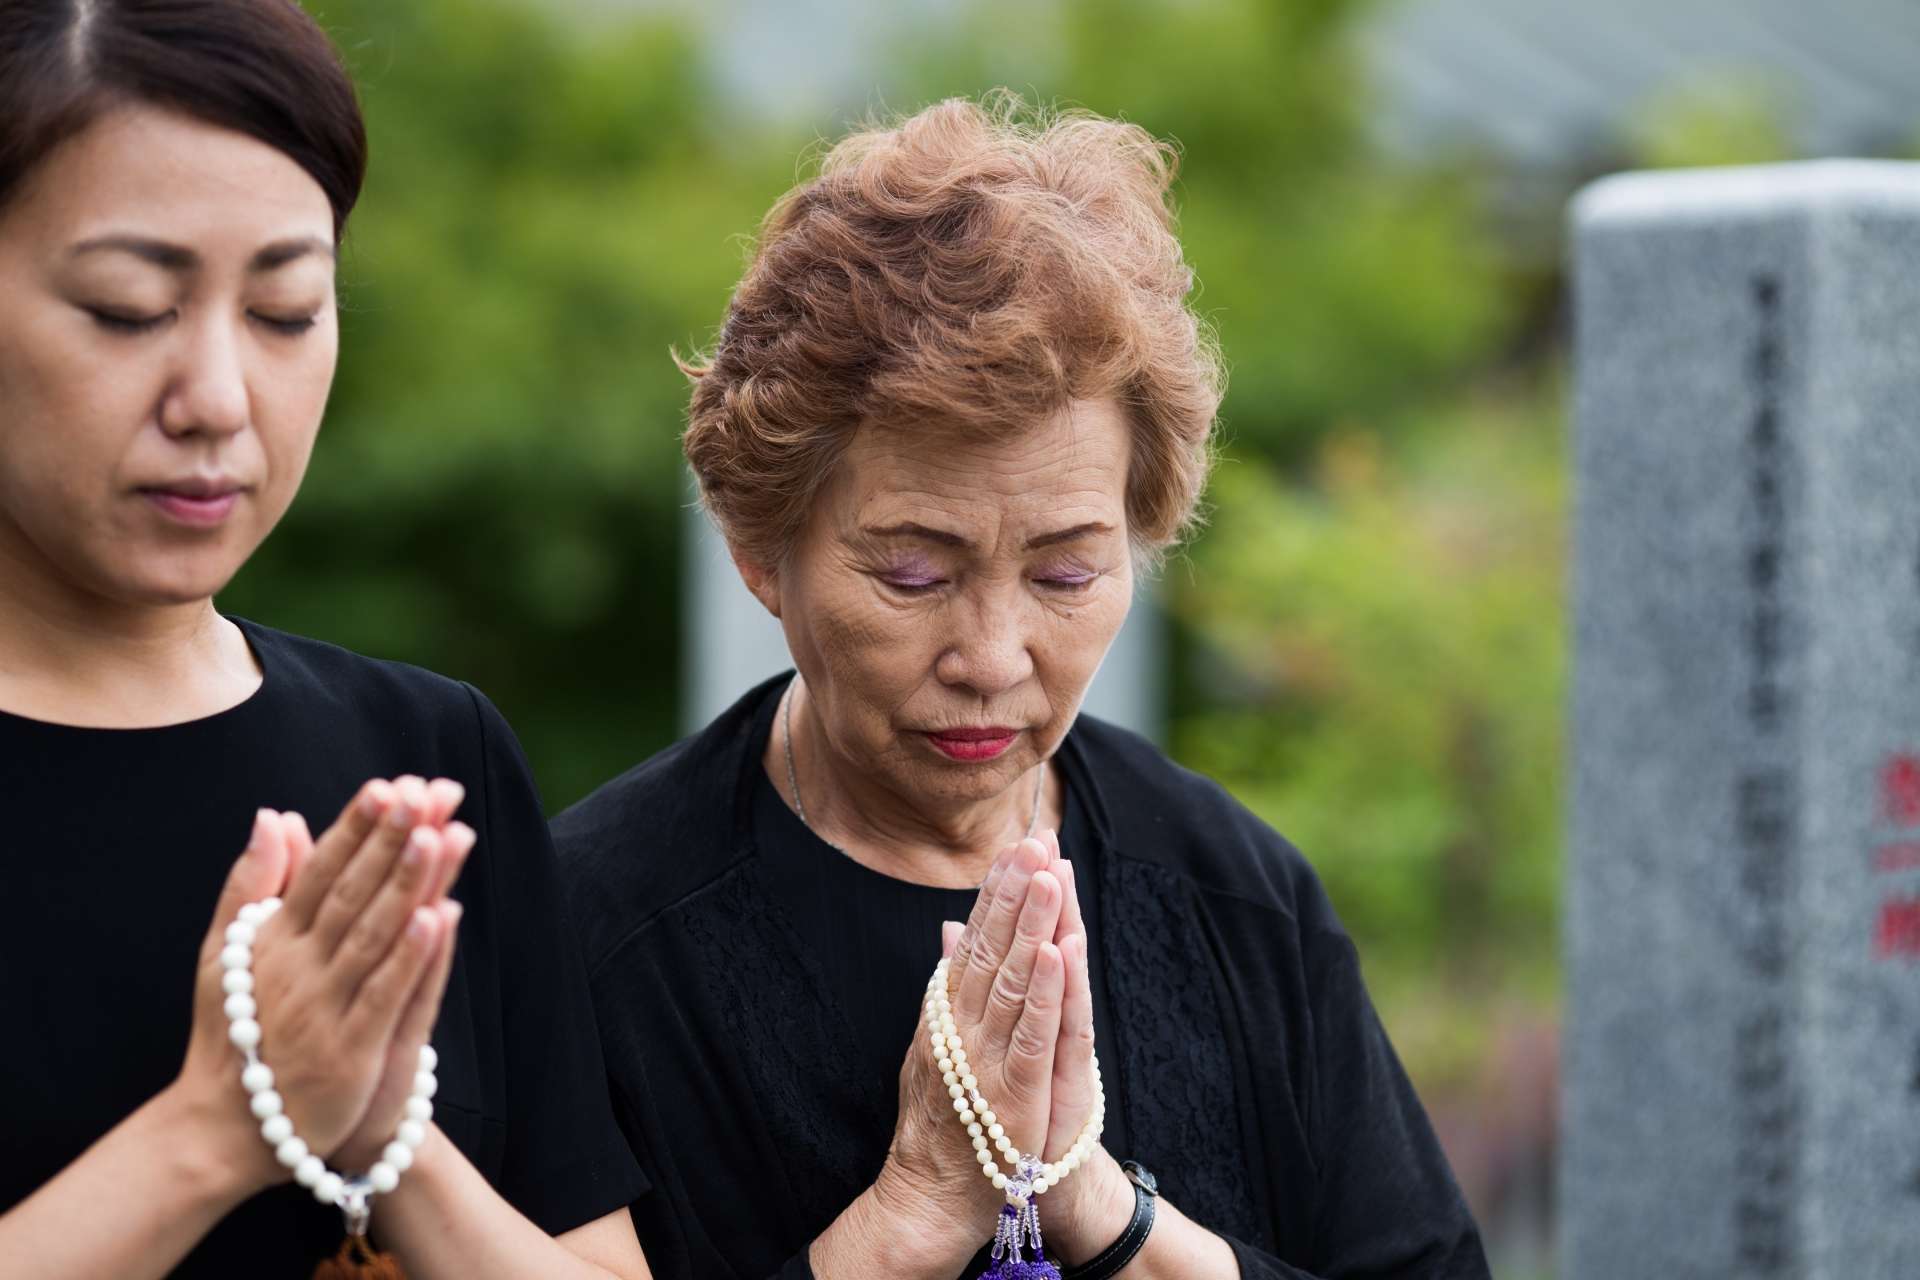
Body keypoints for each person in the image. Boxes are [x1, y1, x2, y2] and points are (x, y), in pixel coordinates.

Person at [557, 94, 1491, 1278]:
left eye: (1066, 570)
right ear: (761, 552)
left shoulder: (1232, 894)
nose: (995, 657)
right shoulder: (593, 933)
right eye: (912, 571)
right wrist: (906, 1217)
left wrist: (1108, 1214)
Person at [0, 2, 650, 1276]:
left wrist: (384, 1131)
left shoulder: (425, 754)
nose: (220, 400)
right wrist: (213, 1130)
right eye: (130, 308)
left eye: (287, 310)